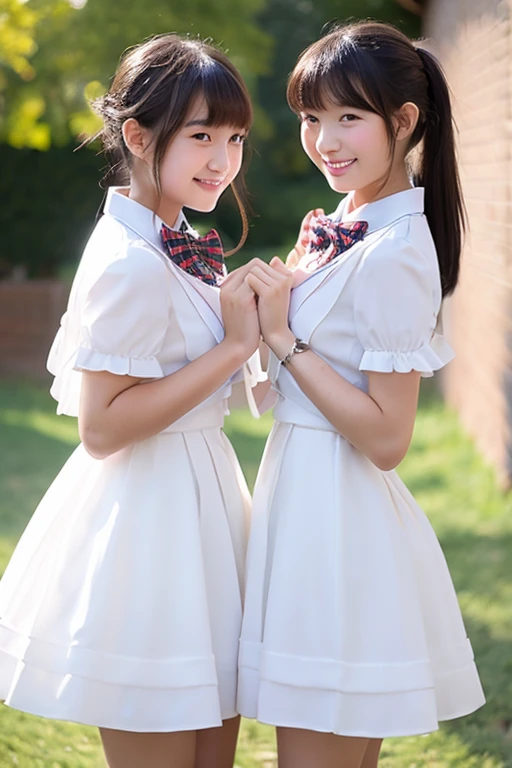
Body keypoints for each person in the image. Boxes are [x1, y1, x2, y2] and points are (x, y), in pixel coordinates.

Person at [0, 33, 265, 768]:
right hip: (149, 521)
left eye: (235, 138)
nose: (223, 160)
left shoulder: (172, 238)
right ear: (140, 136)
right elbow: (101, 426)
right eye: (202, 135)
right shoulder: (127, 261)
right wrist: (232, 350)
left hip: (204, 500)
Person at [238, 21, 485, 768]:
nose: (324, 140)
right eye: (313, 118)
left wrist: (285, 339)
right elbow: (298, 381)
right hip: (301, 494)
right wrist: (263, 324)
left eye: (348, 117)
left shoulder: (398, 252)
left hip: (337, 520)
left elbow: (386, 439)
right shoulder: (346, 222)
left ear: (403, 122)